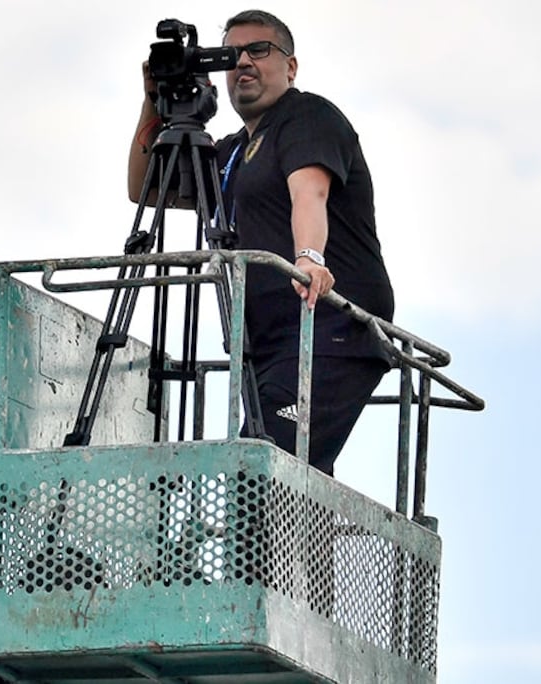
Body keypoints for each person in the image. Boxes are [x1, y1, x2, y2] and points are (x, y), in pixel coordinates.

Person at [127, 10, 394, 477]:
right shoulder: (231, 151)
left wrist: (309, 259)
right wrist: (154, 101)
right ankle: (304, 550)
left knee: (262, 469)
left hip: (327, 329)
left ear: (291, 67)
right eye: (232, 55)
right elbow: (145, 190)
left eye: (259, 50)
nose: (244, 63)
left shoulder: (307, 116)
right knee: (282, 473)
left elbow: (309, 191)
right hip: (266, 344)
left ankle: (275, 546)